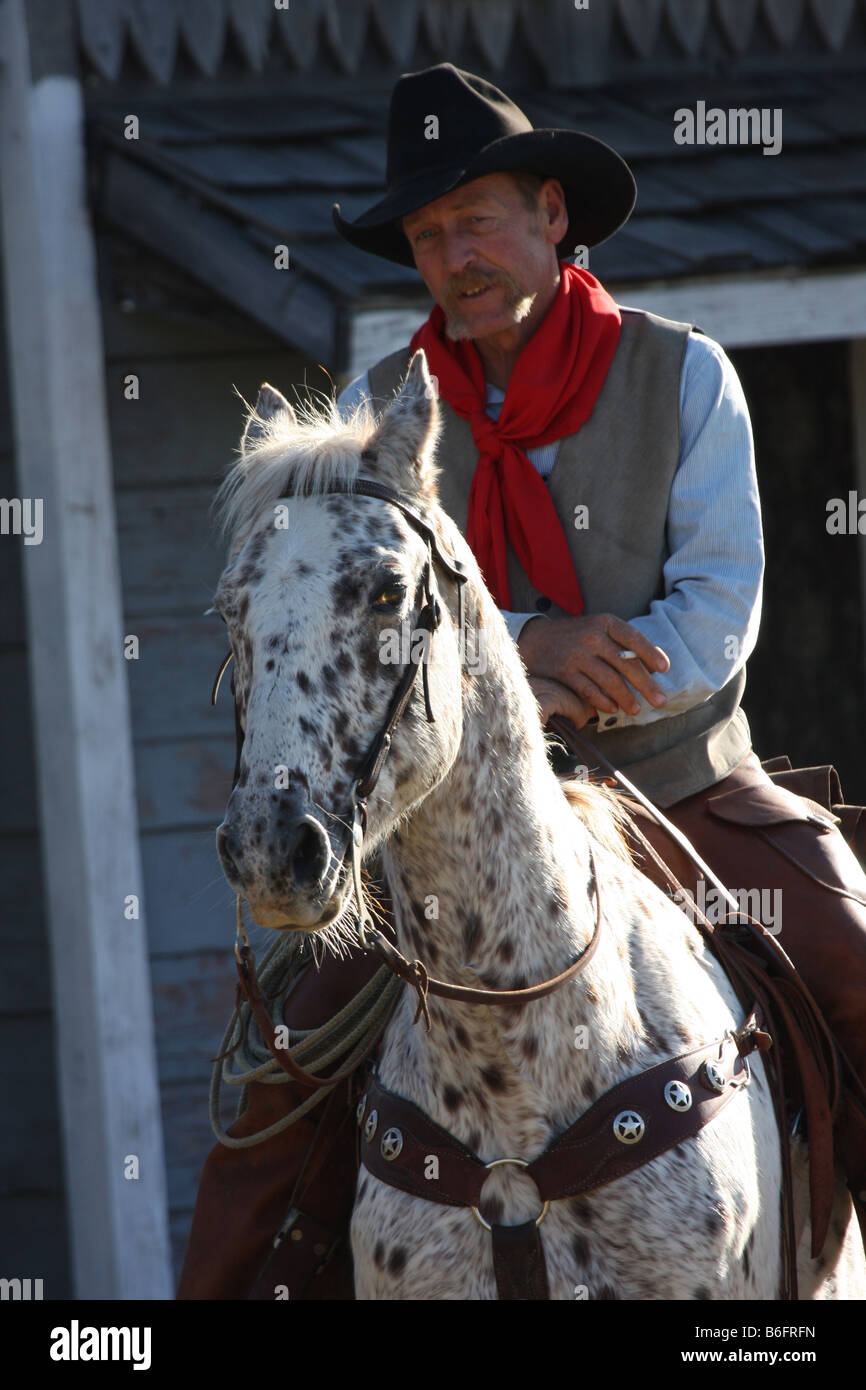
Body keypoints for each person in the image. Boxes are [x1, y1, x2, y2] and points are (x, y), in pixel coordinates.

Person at [177, 64, 866, 1300]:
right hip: (453, 829)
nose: (451, 253)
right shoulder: (365, 413)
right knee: (280, 1081)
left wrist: (552, 677)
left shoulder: (685, 373)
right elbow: (343, 610)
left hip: (681, 790)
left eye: (475, 218)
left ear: (552, 215)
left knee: (848, 949)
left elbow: (716, 614)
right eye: (427, 235)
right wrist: (527, 649)